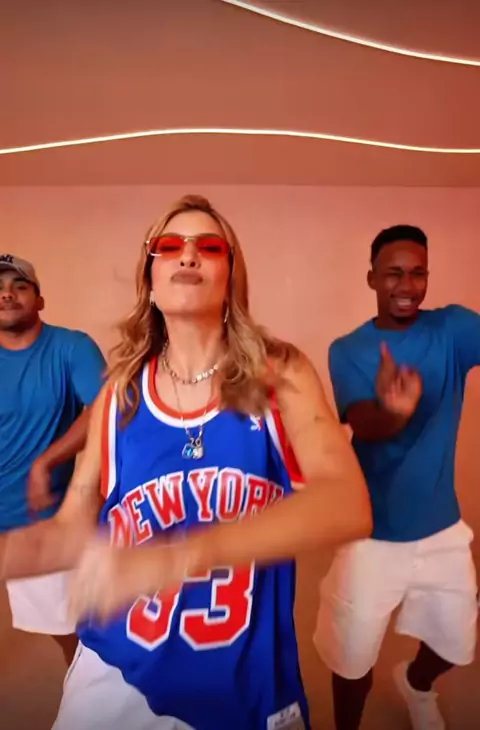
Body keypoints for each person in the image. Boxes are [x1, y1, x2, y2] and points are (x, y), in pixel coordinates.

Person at [0, 195, 371, 730]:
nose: (189, 255)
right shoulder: (121, 391)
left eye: (209, 247)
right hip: (117, 675)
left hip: (245, 689)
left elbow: (347, 502)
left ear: (230, 276)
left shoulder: (280, 371)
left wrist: (178, 557)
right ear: (149, 280)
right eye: (170, 246)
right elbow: (70, 526)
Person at [314, 225, 479, 730]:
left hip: (442, 528)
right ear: (371, 278)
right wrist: (394, 413)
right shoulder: (348, 349)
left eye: (417, 273)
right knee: (351, 661)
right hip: (371, 531)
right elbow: (362, 423)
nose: (407, 285)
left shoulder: (452, 329)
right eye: (393, 274)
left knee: (457, 644)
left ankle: (415, 683)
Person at [0, 254, 106, 665]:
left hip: (41, 521)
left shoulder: (71, 348)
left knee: (75, 637)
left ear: (39, 299)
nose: (7, 294)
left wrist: (46, 462)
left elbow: (107, 407)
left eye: (19, 286)